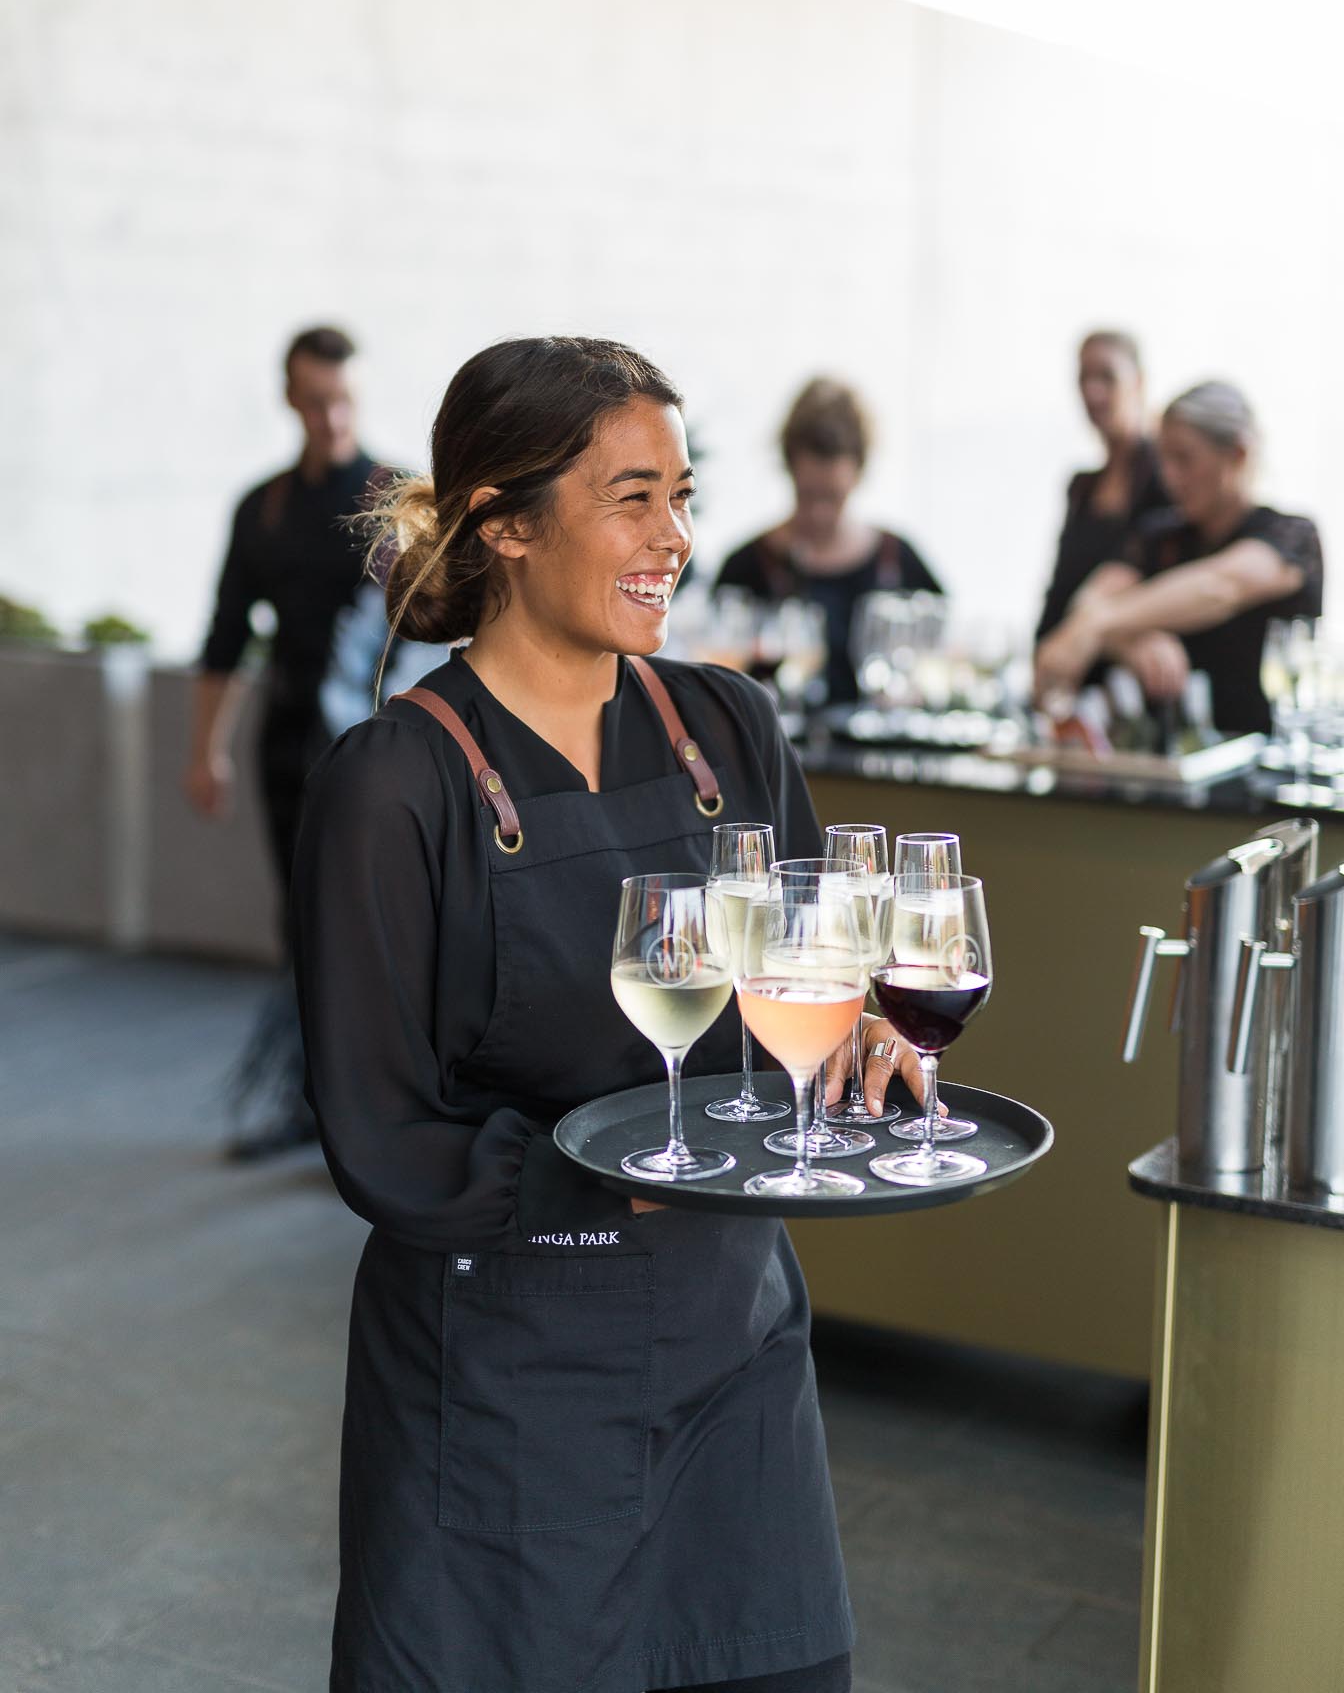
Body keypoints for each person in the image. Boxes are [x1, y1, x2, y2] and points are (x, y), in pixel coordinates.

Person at [290, 336, 927, 1693]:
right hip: (509, 1373)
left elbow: (807, 980)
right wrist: (602, 1176)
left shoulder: (729, 729)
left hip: (733, 1342)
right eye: (632, 498)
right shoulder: (395, 783)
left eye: (682, 497)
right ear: (504, 524)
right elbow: (378, 1128)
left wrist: (859, 1035)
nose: (674, 538)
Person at [185, 324, 389, 1160]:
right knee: (301, 923)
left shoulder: (396, 498)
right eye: (313, 403)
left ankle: (379, 1108)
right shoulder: (262, 508)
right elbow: (226, 638)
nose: (330, 419)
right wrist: (206, 750)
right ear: (289, 400)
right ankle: (311, 1101)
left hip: (379, 749)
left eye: (341, 401)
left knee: (375, 925)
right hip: (286, 745)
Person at [1034, 380, 1323, 736]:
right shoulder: (1158, 535)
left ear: (1238, 454)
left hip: (1273, 754)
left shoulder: (1292, 536)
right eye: (1164, 459)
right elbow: (1092, 600)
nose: (1169, 476)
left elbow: (1219, 587)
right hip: (1177, 759)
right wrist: (1131, 641)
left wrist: (1102, 624)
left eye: (1184, 458)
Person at [714, 378, 942, 706]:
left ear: (858, 474)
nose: (819, 514)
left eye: (833, 497)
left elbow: (943, 665)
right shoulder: (746, 566)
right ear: (789, 469)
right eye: (807, 495)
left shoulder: (898, 560)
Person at [1035, 329, 1169, 644]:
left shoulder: (1164, 477)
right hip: (1064, 657)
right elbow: (1059, 592)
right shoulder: (1081, 487)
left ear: (1138, 382)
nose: (1092, 392)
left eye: (1107, 377)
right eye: (1084, 378)